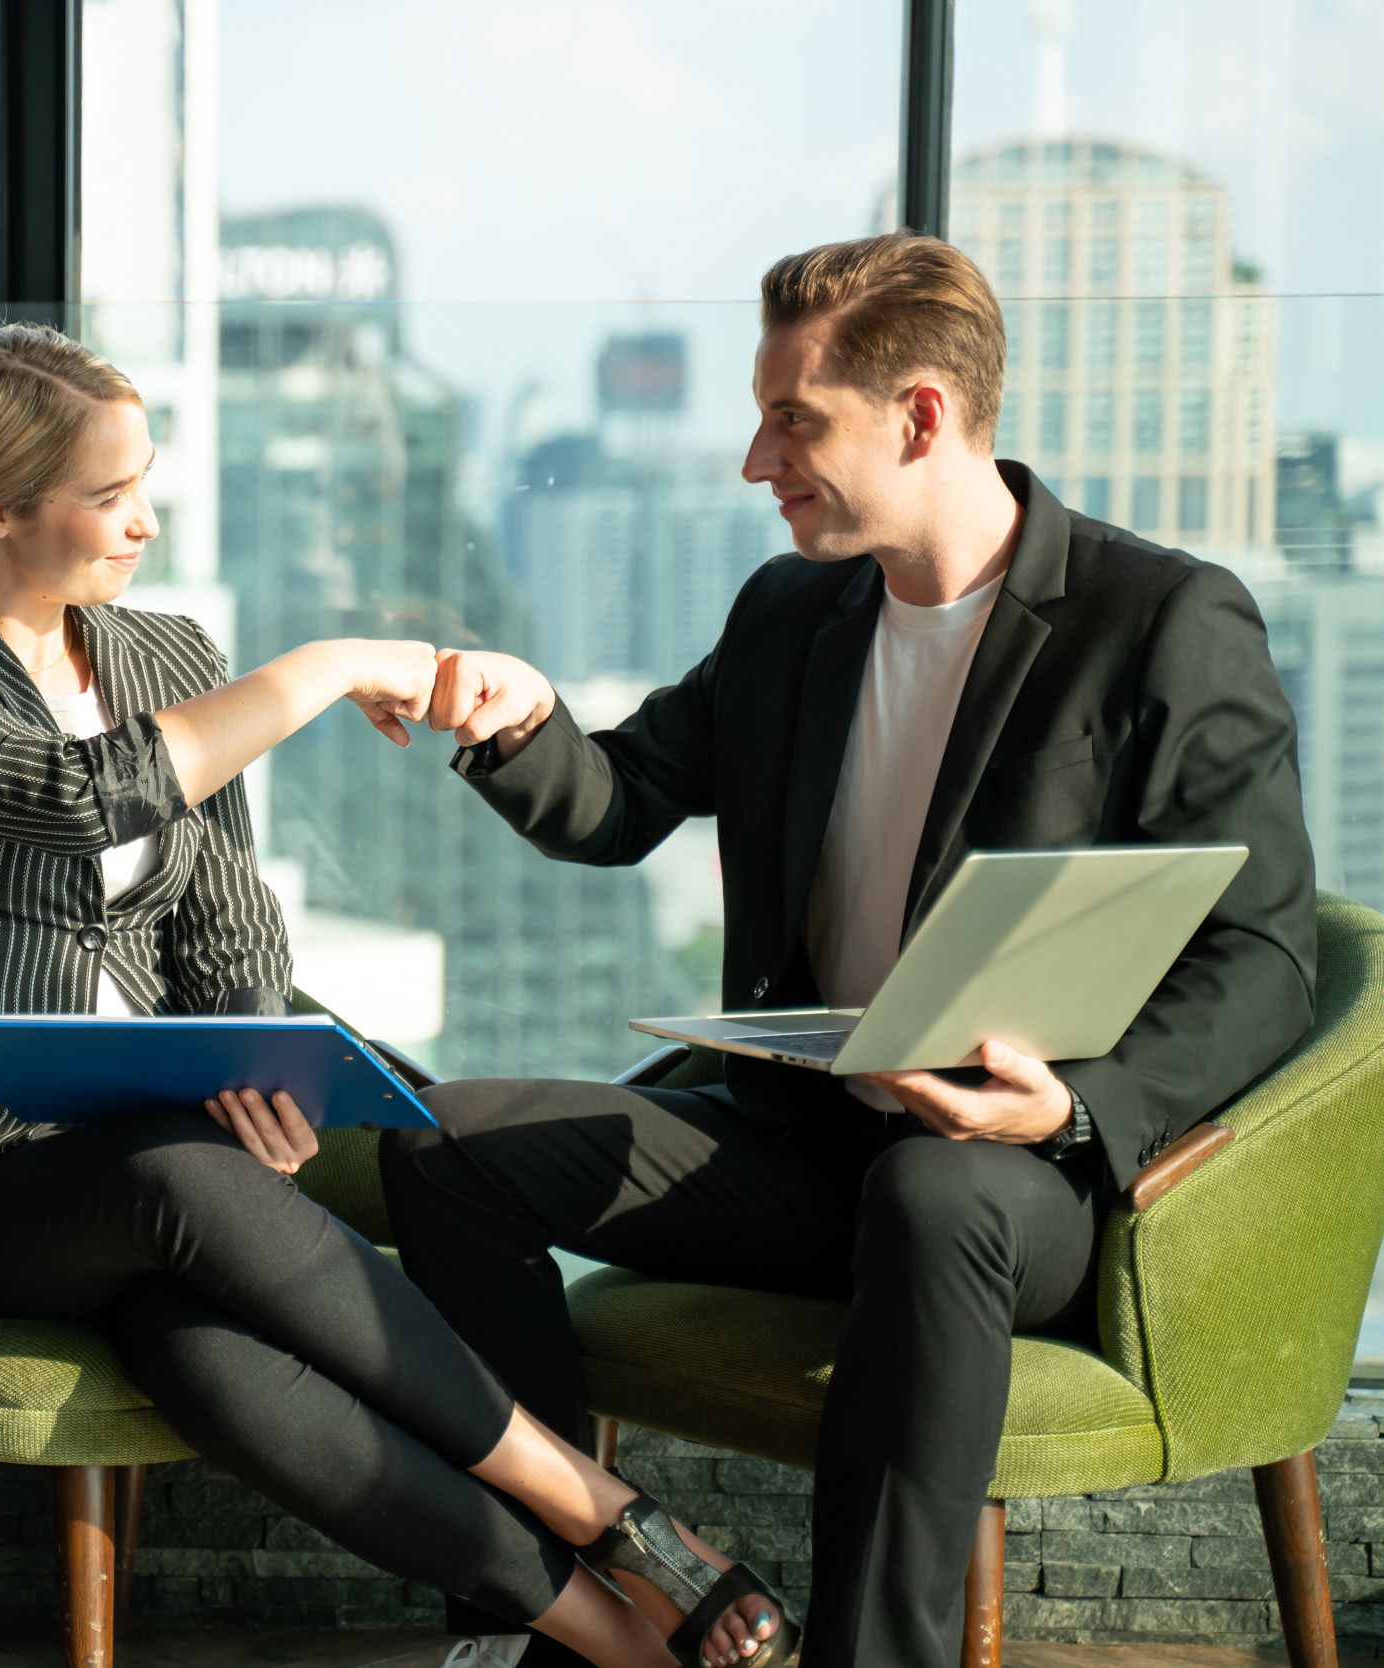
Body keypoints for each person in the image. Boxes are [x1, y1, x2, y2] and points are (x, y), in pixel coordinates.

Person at [0, 321, 798, 1668]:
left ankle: (598, 1639)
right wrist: (331, 666)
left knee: (209, 1342)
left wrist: (258, 1063)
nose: (145, 521)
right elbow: (73, 801)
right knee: (180, 1182)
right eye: (112, 494)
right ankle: (603, 1508)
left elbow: (224, 927)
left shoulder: (162, 656)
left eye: (147, 480)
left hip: (162, 1165)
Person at [385, 233, 1319, 1668]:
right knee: (444, 1144)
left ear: (923, 416)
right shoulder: (790, 613)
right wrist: (519, 721)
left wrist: (1071, 1110)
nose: (759, 461)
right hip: (806, 1143)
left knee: (938, 1195)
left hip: (1017, 1179)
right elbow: (623, 799)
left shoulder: (1162, 623)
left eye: (793, 420)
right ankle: (571, 1606)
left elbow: (1262, 954)